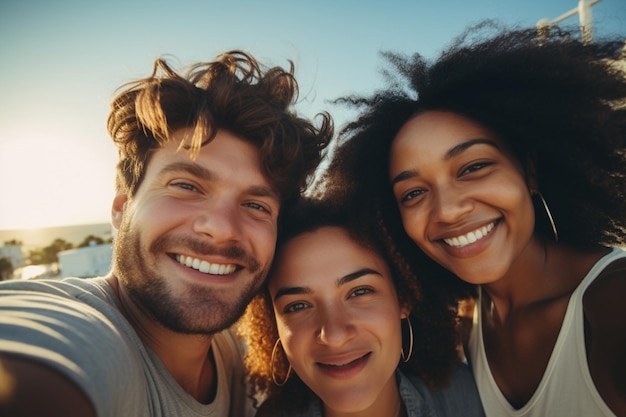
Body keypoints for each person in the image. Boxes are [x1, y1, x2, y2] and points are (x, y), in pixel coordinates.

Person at [0, 50, 333, 417]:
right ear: (121, 209)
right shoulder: (81, 332)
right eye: (186, 186)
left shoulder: (241, 356)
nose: (222, 227)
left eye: (256, 205)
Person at [319, 23, 626, 417]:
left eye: (473, 167)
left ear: (529, 171)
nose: (447, 210)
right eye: (413, 193)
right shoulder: (471, 317)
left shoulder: (612, 303)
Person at [236, 197, 485, 416]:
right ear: (273, 326)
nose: (334, 335)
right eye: (298, 305)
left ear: (403, 297)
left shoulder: (469, 401)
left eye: (360, 292)